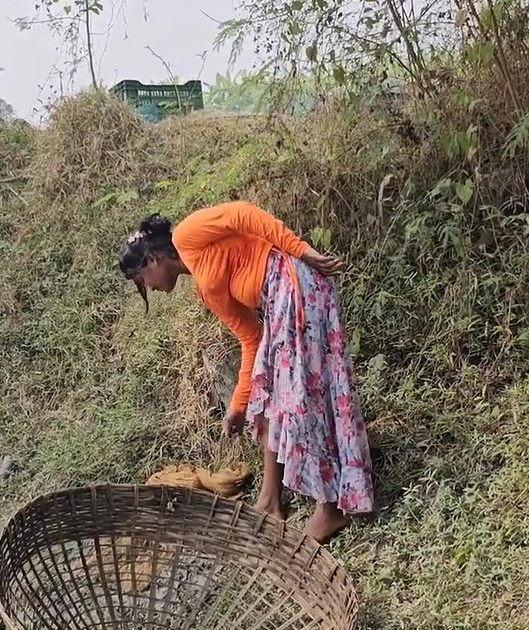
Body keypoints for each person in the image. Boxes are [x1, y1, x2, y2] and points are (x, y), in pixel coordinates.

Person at [118, 200, 374, 542]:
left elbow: (244, 213)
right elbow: (250, 339)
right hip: (279, 300)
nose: (147, 287)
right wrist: (238, 406)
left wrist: (301, 250)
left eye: (141, 279)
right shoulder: (207, 290)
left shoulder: (188, 235)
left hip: (295, 282)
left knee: (302, 396)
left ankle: (330, 509)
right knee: (267, 393)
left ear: (153, 260)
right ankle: (270, 501)